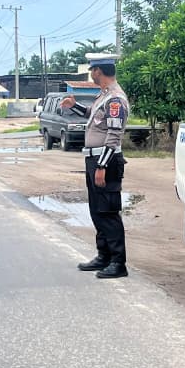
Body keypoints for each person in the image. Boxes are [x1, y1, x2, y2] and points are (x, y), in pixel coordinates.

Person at [62, 53, 130, 279]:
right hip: (94, 160)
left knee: (108, 212)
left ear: (98, 71)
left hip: (106, 162)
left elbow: (114, 135)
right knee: (97, 211)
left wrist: (102, 166)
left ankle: (118, 263)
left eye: (92, 70)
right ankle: (104, 256)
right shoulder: (104, 95)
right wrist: (74, 106)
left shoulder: (115, 99)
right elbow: (93, 116)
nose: (91, 74)